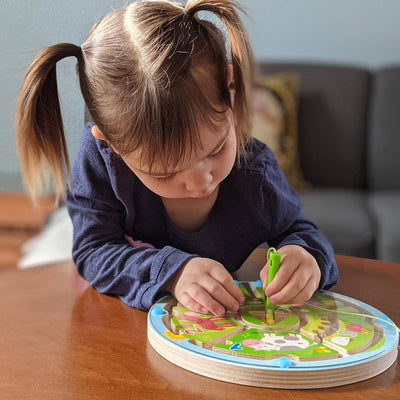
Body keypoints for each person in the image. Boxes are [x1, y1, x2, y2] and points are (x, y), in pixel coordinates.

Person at [15, 0, 338, 316]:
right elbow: (93, 251)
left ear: (230, 93)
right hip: (121, 321)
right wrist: (171, 271)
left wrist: (304, 255)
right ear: (112, 144)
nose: (201, 181)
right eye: (164, 173)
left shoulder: (254, 167)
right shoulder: (99, 162)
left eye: (214, 151)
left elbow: (297, 229)